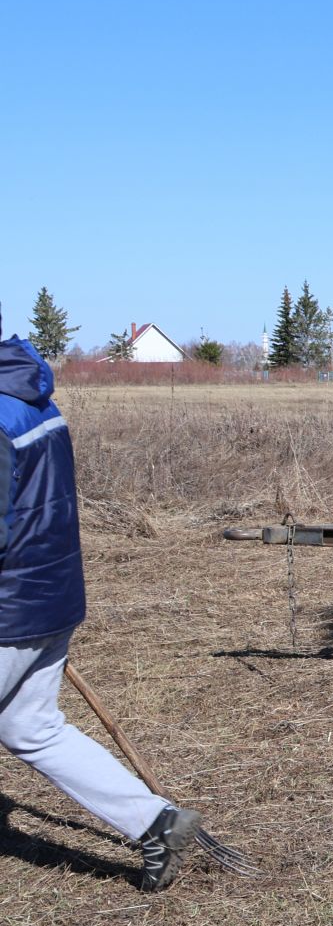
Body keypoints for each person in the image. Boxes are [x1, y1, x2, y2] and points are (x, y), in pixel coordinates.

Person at [0, 325, 201, 890]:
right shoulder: (32, 399)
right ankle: (155, 822)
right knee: (30, 729)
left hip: (9, 611)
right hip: (47, 599)